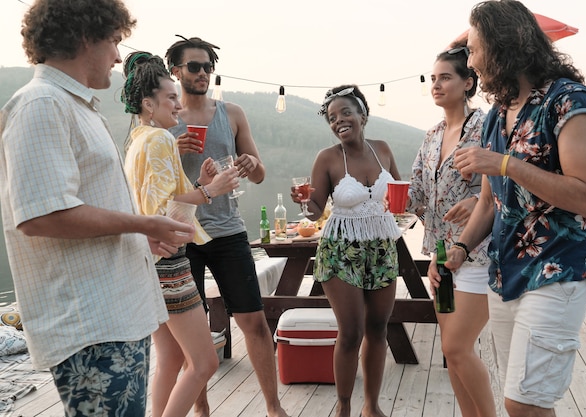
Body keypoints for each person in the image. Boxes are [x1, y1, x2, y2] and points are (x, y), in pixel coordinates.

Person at [0, 1, 197, 416]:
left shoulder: (73, 106)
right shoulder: (41, 104)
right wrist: (143, 221)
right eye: (113, 40)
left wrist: (138, 234)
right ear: (86, 37)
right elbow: (41, 215)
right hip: (92, 328)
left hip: (116, 318)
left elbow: (79, 209)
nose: (118, 56)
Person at [447, 1, 586, 416]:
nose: (471, 61)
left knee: (524, 404)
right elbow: (489, 202)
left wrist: (505, 163)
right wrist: (462, 250)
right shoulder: (497, 115)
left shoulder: (571, 103)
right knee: (524, 400)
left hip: (560, 269)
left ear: (503, 48)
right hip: (506, 273)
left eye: (475, 49)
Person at [165, 36, 289, 417]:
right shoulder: (165, 121)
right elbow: (150, 183)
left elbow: (260, 171)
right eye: (194, 67)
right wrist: (174, 149)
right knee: (194, 331)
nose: (202, 73)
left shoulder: (231, 113)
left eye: (207, 67)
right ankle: (202, 410)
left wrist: (252, 165)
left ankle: (272, 407)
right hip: (182, 234)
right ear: (176, 71)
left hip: (228, 230)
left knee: (252, 318)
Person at [120, 52, 239, 417]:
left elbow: (167, 201)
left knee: (170, 359)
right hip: (169, 264)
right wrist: (211, 191)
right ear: (148, 104)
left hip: (147, 264)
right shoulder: (159, 141)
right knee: (203, 363)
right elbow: (160, 215)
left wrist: (200, 183)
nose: (177, 104)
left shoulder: (137, 140)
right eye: (170, 98)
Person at [292, 84, 402, 417]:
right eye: (331, 117)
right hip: (341, 249)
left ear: (362, 116)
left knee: (379, 328)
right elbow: (315, 210)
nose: (338, 120)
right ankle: (343, 408)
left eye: (345, 113)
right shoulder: (327, 158)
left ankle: (371, 406)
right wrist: (304, 202)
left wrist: (408, 206)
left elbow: (399, 194)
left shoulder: (382, 149)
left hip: (382, 245)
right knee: (351, 332)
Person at [407, 42, 496, 417]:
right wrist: (378, 195)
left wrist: (477, 202)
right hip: (441, 256)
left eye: (446, 77)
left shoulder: (487, 126)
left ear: (469, 82)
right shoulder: (431, 135)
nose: (436, 85)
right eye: (433, 79)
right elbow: (416, 194)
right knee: (450, 350)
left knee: (458, 347)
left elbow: (507, 185)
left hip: (479, 252)